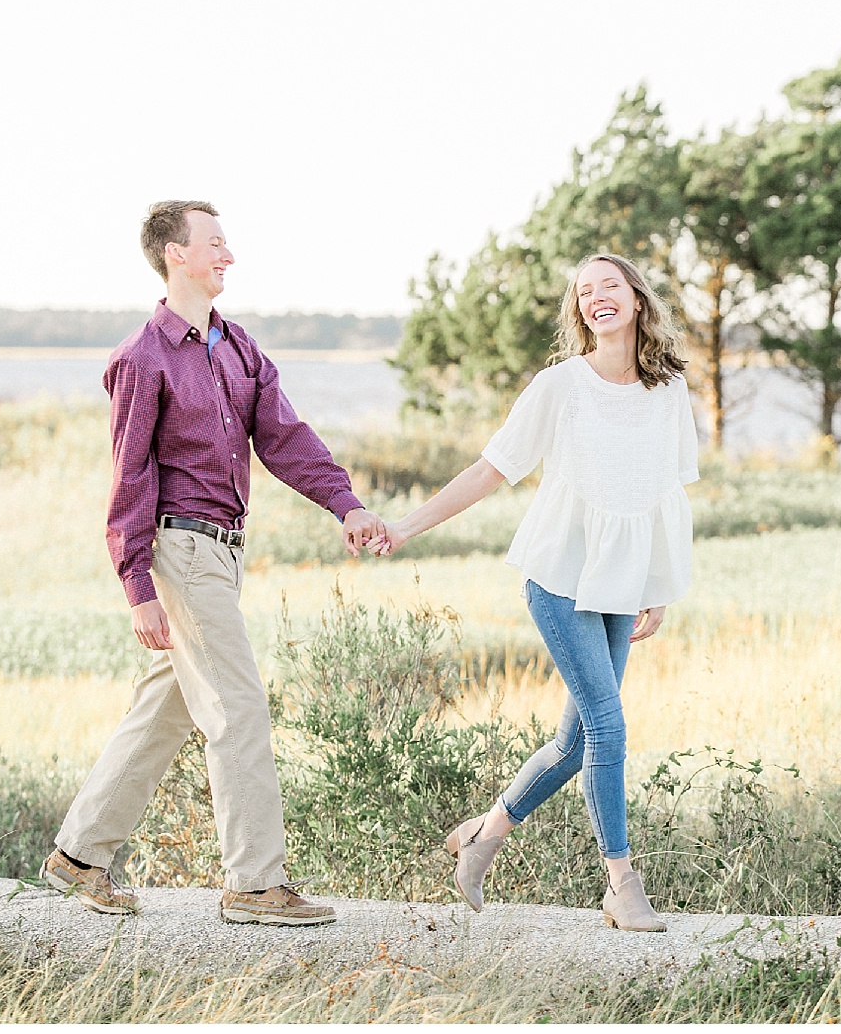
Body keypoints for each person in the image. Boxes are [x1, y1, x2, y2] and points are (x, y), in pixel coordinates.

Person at [40, 200, 387, 927]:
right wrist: (137, 584)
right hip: (182, 550)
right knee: (237, 708)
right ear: (175, 253)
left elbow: (285, 437)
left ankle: (78, 856)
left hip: (223, 553)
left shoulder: (238, 347)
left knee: (164, 713)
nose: (228, 254)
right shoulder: (142, 358)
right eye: (215, 242)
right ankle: (254, 883)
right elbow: (129, 476)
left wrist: (345, 503)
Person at [368, 253, 698, 934]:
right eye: (584, 292)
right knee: (609, 727)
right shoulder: (561, 386)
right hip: (558, 578)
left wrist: (657, 587)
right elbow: (492, 468)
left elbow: (667, 493)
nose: (597, 297)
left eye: (610, 285)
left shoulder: (668, 391)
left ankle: (483, 835)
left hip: (618, 586)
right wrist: (405, 526)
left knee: (577, 742)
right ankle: (621, 883)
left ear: (636, 299)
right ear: (580, 312)